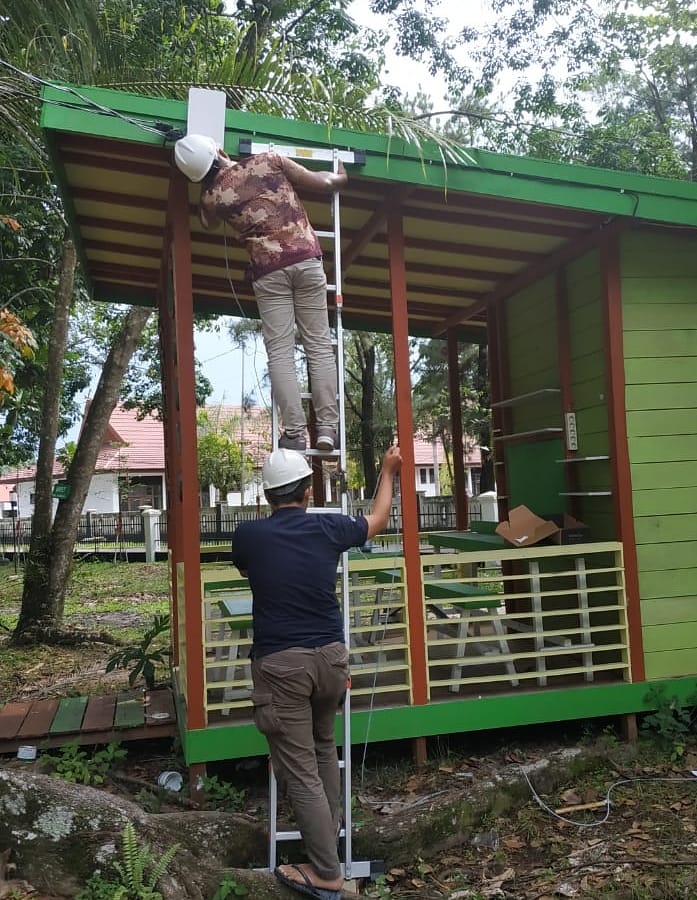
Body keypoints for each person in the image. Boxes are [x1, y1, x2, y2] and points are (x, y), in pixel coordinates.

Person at [231, 445, 403, 900]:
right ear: (308, 491)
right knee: (324, 746)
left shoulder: (248, 537)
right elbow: (378, 520)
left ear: (267, 495)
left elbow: (250, 569)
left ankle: (327, 871)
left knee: (301, 769)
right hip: (331, 661)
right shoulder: (328, 527)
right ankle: (331, 831)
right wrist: (388, 470)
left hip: (282, 665)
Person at [173, 134, 348, 454]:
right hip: (306, 260)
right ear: (219, 150)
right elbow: (323, 183)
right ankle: (327, 428)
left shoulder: (211, 199)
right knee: (319, 347)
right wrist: (339, 175)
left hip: (268, 274)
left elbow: (207, 222)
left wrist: (204, 181)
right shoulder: (270, 161)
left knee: (280, 353)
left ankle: (295, 434)